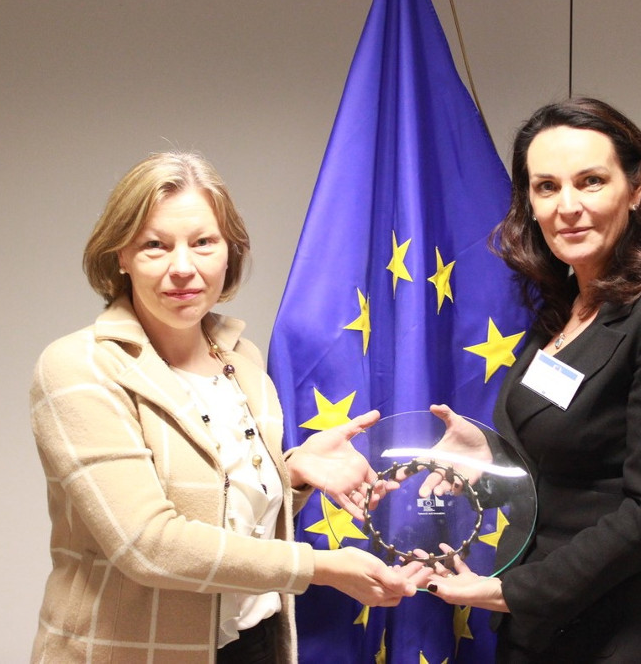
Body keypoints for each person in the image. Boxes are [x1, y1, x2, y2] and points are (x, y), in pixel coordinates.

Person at [29, 151, 415, 663]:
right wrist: (317, 567)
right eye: (154, 246)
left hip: (252, 642)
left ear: (229, 251)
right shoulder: (79, 366)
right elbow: (148, 545)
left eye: (204, 242)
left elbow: (225, 515)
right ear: (119, 255)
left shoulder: (242, 360)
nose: (183, 268)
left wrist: (291, 476)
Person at [418, 97, 641, 662]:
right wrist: (487, 458)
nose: (568, 207)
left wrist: (513, 591)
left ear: (636, 189)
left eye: (590, 181)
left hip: (621, 635)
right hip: (541, 634)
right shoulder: (565, 311)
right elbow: (569, 469)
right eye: (546, 187)